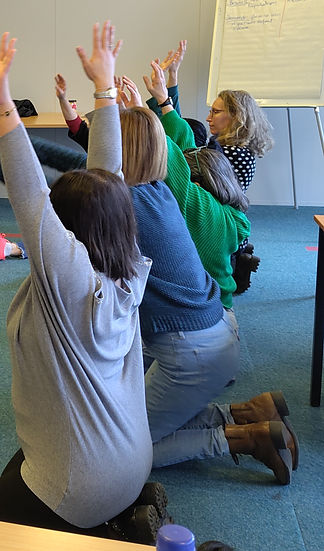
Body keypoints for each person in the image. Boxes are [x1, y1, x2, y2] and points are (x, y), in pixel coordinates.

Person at [0, 24, 155, 541]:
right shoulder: (122, 262)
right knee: (21, 463)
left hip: (86, 484)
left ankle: (107, 530)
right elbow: (109, 178)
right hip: (131, 456)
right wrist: (103, 92)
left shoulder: (72, 282)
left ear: (69, 233)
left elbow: (31, 197)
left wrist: (5, 108)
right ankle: (119, 516)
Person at [118, 105, 297, 484]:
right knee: (137, 409)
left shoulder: (164, 201)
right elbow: (178, 148)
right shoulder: (175, 200)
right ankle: (242, 414)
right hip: (217, 331)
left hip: (194, 351)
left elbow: (176, 151)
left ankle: (241, 439)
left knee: (120, 449)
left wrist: (159, 101)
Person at [144, 62, 250, 308]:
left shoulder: (231, 156)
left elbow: (177, 161)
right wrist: (167, 93)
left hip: (202, 308)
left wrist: (148, 115)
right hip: (221, 306)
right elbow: (184, 149)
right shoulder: (228, 207)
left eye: (215, 111)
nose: (209, 116)